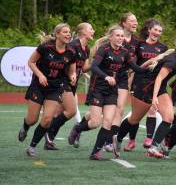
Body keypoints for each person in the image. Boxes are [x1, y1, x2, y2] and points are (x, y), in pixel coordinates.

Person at [67, 24, 147, 160]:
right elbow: (94, 66)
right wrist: (106, 76)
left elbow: (137, 69)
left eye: (122, 36)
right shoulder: (104, 49)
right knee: (95, 122)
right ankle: (78, 129)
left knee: (108, 121)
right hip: (97, 89)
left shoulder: (125, 52)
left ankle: (95, 152)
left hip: (112, 91)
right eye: (118, 35)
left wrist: (154, 66)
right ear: (111, 37)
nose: (121, 38)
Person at [112, 37, 176, 159]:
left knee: (168, 118)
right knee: (134, 120)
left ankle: (153, 147)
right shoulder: (172, 60)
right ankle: (117, 139)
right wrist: (154, 97)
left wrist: (139, 70)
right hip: (145, 88)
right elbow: (159, 78)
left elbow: (152, 60)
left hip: (159, 88)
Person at [18, 23, 76, 157]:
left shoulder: (71, 52)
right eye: (65, 32)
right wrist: (40, 75)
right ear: (57, 34)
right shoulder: (45, 47)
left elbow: (71, 71)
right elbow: (31, 62)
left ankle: (32, 147)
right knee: (32, 119)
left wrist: (72, 76)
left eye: (69, 32)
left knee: (47, 119)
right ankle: (25, 127)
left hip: (55, 88)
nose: (68, 34)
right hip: (38, 86)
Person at [45, 22, 95, 149]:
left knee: (59, 113)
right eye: (90, 29)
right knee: (70, 111)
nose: (93, 31)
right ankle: (48, 134)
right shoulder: (73, 46)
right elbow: (62, 63)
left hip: (72, 84)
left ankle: (48, 140)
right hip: (63, 82)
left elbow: (84, 69)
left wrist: (96, 59)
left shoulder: (87, 48)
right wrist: (69, 75)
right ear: (82, 32)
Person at [122, 18, 168, 151]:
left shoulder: (163, 47)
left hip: (153, 82)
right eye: (155, 29)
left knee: (153, 109)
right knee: (136, 114)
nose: (157, 33)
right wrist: (130, 77)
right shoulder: (139, 44)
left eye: (160, 31)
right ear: (149, 30)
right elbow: (132, 63)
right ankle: (131, 140)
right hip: (139, 81)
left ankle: (149, 138)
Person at [102, 12, 140, 152]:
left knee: (120, 109)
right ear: (124, 23)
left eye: (136, 21)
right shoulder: (112, 39)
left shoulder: (137, 42)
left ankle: (109, 141)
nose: (135, 23)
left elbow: (137, 63)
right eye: (132, 21)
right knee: (99, 114)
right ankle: (81, 127)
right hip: (107, 79)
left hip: (123, 79)